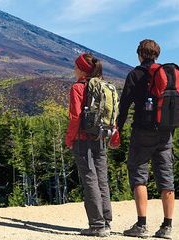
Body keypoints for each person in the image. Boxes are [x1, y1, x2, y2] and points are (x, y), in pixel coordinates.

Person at [117, 39, 175, 239]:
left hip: (142, 131)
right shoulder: (168, 74)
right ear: (157, 54)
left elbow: (124, 105)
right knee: (166, 178)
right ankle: (167, 227)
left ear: (140, 54)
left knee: (139, 176)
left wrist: (117, 128)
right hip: (166, 132)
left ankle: (141, 225)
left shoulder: (135, 75)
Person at [65, 53, 112, 237]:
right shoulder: (102, 86)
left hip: (82, 139)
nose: (74, 70)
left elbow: (75, 117)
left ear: (82, 70)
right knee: (102, 178)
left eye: (76, 67)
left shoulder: (77, 87)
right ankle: (106, 222)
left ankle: (97, 225)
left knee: (89, 179)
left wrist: (69, 139)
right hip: (99, 137)